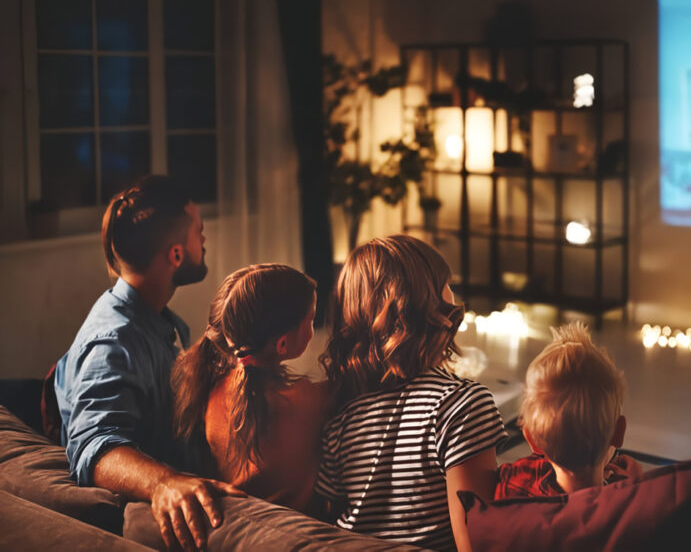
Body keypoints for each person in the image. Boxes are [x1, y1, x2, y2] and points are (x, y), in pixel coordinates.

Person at [54, 175, 243, 551]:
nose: (203, 241)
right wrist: (162, 482)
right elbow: (95, 444)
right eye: (199, 232)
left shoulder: (155, 321)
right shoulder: (114, 341)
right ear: (175, 255)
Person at [315, 235, 507, 552]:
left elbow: (332, 517)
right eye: (447, 283)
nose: (453, 291)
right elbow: (476, 540)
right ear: (429, 300)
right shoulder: (462, 404)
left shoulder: (342, 417)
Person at [172, 264, 327, 514]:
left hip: (237, 523)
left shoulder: (212, 388)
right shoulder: (309, 400)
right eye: (311, 319)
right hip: (291, 528)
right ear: (283, 343)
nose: (312, 327)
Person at [494, 322, 642, 500]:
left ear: (532, 440)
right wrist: (633, 480)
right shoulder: (626, 499)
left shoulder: (514, 482)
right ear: (619, 432)